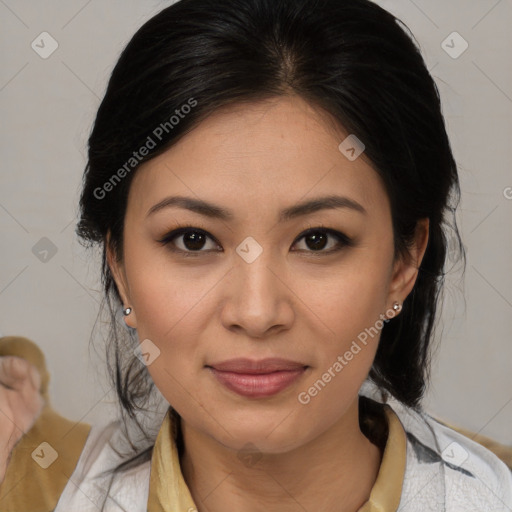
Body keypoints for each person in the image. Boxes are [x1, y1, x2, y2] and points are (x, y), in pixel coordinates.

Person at [2, 0, 512, 510]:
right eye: (193, 239)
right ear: (119, 263)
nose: (256, 312)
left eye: (318, 240)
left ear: (404, 262)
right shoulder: (32, 486)